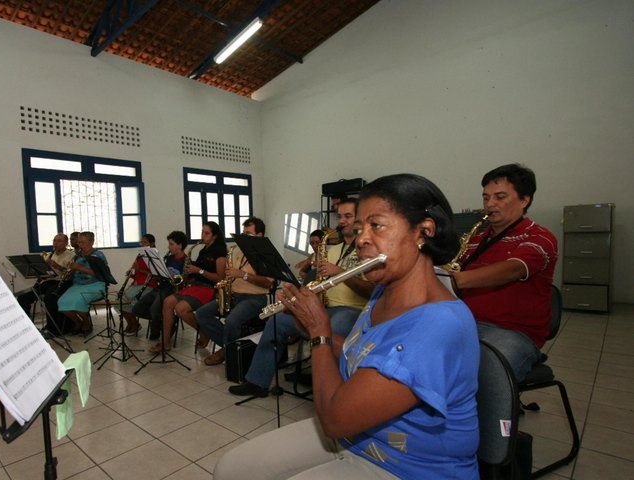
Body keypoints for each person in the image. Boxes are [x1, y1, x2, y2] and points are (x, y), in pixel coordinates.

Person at [214, 174, 480, 479]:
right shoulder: (383, 291)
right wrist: (308, 323)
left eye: (376, 225)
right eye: (359, 228)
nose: (362, 239)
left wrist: (320, 333)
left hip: (407, 466)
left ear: (424, 231)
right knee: (231, 469)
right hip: (357, 438)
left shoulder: (439, 323)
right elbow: (362, 354)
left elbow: (334, 420)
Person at [228, 199, 373, 397]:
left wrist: (339, 272)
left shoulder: (368, 249)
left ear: (360, 218)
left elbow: (371, 291)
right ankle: (257, 382)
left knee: (334, 326)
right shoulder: (333, 250)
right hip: (326, 307)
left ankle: (332, 393)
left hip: (353, 310)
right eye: (340, 216)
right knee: (277, 320)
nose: (342, 221)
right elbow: (319, 283)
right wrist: (299, 299)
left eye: (348, 216)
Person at [450, 163, 558, 382]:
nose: (490, 204)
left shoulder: (540, 237)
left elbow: (513, 269)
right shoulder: (474, 240)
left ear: (524, 200)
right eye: (486, 197)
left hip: (514, 332)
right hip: (467, 324)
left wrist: (455, 280)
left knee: (486, 372)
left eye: (500, 197)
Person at [196, 217, 273, 366]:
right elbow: (232, 274)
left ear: (259, 235)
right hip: (233, 295)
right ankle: (231, 347)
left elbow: (267, 283)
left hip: (254, 299)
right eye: (243, 233)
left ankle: (226, 351)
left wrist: (243, 275)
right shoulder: (240, 253)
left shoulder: (266, 255)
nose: (243, 237)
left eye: (248, 233)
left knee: (231, 321)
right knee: (201, 314)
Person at [150, 222, 227, 353]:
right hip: (196, 286)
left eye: (206, 233)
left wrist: (199, 271)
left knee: (180, 309)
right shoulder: (203, 250)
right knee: (167, 302)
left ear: (214, 236)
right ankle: (165, 342)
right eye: (202, 232)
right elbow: (198, 272)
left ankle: (203, 332)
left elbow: (220, 278)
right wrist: (189, 274)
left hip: (209, 289)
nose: (203, 235)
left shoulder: (220, 252)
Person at [132, 230, 188, 340]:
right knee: (137, 309)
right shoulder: (168, 258)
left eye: (171, 244)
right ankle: (166, 320)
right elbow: (162, 274)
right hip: (160, 288)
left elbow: (184, 280)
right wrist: (156, 272)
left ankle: (158, 328)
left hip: (172, 290)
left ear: (180, 245)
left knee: (154, 309)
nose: (168, 247)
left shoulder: (186, 260)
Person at [16, 233, 75, 324]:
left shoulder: (71, 255)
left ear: (66, 243)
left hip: (63, 283)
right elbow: (44, 272)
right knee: (23, 297)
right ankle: (26, 324)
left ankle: (52, 327)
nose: (55, 243)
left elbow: (70, 274)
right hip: (48, 282)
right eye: (54, 240)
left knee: (49, 297)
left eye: (59, 241)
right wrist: (41, 272)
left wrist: (57, 266)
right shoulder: (49, 255)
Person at [57, 231, 108, 335]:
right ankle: (78, 322)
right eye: (79, 242)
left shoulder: (98, 255)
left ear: (91, 242)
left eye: (83, 242)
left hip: (95, 285)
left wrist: (80, 268)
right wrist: (70, 270)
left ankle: (86, 322)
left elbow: (101, 274)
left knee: (78, 302)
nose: (80, 245)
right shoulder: (78, 255)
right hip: (78, 285)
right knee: (61, 302)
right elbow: (74, 270)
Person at [119, 233, 156, 335]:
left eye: (145, 242)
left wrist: (139, 269)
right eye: (141, 242)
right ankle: (132, 323)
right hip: (137, 284)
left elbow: (155, 274)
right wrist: (132, 275)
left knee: (127, 301)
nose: (142, 244)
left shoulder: (154, 256)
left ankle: (134, 325)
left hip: (149, 285)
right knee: (119, 300)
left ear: (152, 244)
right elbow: (138, 275)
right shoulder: (140, 256)